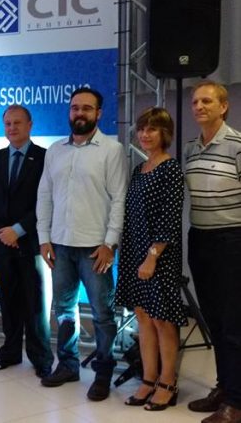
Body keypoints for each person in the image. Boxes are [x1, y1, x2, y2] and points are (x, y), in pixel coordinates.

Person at [36, 88, 128, 400]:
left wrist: (109, 243)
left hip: (95, 248)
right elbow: (45, 196)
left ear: (98, 113)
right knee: (64, 309)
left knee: (102, 313)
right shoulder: (55, 151)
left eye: (87, 108)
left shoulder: (112, 150)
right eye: (75, 107)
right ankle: (68, 365)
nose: (80, 113)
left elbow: (119, 199)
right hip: (60, 245)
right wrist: (44, 238)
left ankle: (103, 372)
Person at [116, 108, 186, 411]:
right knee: (143, 316)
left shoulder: (171, 169)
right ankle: (148, 378)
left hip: (159, 255)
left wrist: (152, 257)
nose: (145, 134)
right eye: (142, 129)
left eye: (152, 129)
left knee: (162, 320)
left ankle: (168, 382)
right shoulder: (139, 169)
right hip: (135, 252)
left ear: (164, 134)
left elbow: (169, 220)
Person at [0, 104, 53, 378]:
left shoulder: (45, 158)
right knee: (8, 302)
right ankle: (10, 352)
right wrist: (1, 231)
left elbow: (47, 201)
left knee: (35, 304)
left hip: (31, 243)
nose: (12, 128)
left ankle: (41, 357)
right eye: (8, 123)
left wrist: (18, 230)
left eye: (17, 123)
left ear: (30, 125)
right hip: (2, 244)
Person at [185, 80, 241, 423]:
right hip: (201, 239)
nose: (199, 107)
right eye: (195, 102)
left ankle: (236, 403)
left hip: (232, 241)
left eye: (207, 101)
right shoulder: (191, 149)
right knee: (214, 321)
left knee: (234, 325)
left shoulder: (237, 145)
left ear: (224, 106)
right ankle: (224, 387)